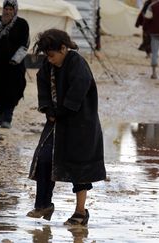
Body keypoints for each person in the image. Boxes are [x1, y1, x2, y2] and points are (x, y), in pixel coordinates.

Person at [27, 29, 106, 226]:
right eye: (47, 56)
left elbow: (78, 92)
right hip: (56, 123)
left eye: (52, 55)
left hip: (81, 124)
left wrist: (60, 112)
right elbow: (43, 84)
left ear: (63, 48)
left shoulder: (77, 64)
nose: (50, 60)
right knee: (44, 158)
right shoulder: (48, 65)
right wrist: (49, 110)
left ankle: (80, 213)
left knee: (79, 169)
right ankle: (43, 204)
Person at [0, 0, 29, 129]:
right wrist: (0, 24)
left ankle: (7, 118)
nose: (8, 12)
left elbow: (25, 44)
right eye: (6, 9)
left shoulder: (22, 24)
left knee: (13, 90)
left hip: (15, 65)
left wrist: (15, 59)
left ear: (15, 10)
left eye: (11, 9)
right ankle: (0, 113)